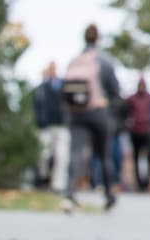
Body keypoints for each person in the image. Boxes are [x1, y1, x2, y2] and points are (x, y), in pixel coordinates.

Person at [61, 23, 123, 212]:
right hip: (98, 112)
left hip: (76, 114)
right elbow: (115, 90)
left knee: (76, 153)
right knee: (104, 155)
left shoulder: (75, 60)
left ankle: (69, 194)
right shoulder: (104, 61)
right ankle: (108, 194)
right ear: (99, 38)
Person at [32, 62, 69, 193]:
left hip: (62, 126)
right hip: (45, 126)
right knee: (43, 154)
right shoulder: (41, 88)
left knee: (61, 155)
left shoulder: (63, 86)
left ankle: (58, 185)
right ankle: (42, 179)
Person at [126, 76, 150, 192]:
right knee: (135, 158)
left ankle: (147, 183)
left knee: (149, 157)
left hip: (147, 131)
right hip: (135, 131)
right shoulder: (131, 99)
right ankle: (138, 184)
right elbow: (125, 112)